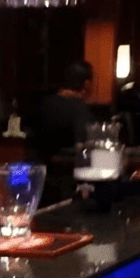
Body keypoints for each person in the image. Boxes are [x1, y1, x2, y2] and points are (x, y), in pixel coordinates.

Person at [29, 61, 93, 202]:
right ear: (86, 84)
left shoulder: (44, 104)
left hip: (39, 181)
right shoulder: (80, 109)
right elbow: (82, 149)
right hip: (67, 185)